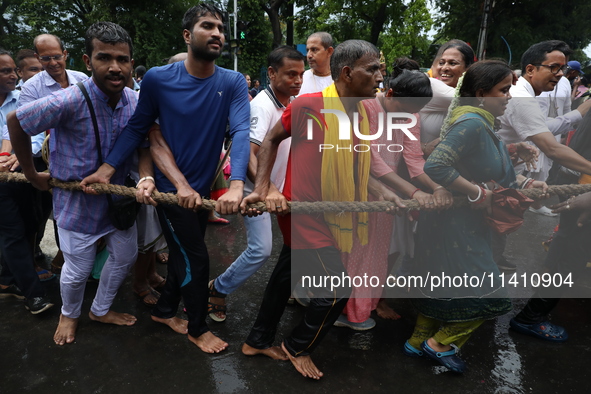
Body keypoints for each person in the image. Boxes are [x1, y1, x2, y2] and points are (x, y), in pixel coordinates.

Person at [82, 3, 250, 354]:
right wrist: (107, 170)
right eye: (208, 26)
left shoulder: (232, 81)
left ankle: (163, 311)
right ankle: (197, 329)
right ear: (188, 35)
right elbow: (138, 128)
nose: (218, 32)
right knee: (198, 259)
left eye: (221, 27)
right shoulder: (159, 78)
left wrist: (236, 187)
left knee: (182, 256)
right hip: (171, 192)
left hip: (201, 191)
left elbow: (241, 132)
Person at [240, 39, 405, 379]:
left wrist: (383, 194)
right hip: (302, 212)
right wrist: (263, 189)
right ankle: (297, 346)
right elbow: (269, 140)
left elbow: (362, 167)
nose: (380, 76)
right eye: (372, 69)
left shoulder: (362, 111)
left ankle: (257, 340)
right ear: (347, 72)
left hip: (337, 211)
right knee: (335, 291)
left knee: (286, 275)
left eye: (380, 68)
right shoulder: (308, 106)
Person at [405, 60, 548, 373]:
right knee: (492, 296)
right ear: (482, 93)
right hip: (456, 225)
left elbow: (490, 169)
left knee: (440, 281)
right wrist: (475, 193)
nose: (510, 96)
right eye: (504, 90)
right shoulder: (471, 123)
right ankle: (439, 344)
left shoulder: (481, 122)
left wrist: (526, 183)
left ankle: (416, 343)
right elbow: (436, 166)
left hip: (459, 225)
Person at [8, 22, 140, 345]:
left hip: (119, 204)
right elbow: (16, 121)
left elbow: (150, 142)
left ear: (131, 64)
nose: (114, 67)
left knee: (125, 257)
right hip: (76, 206)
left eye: (122, 59)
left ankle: (100, 308)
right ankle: (70, 312)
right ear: (86, 60)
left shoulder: (135, 102)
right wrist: (30, 173)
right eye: (104, 58)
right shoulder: (69, 100)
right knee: (77, 270)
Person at [335, 70, 453, 330]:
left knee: (376, 254)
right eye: (405, 109)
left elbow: (413, 160)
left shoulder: (411, 115)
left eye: (414, 112)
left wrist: (437, 188)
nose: (408, 116)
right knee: (353, 252)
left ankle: (361, 309)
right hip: (360, 189)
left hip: (389, 196)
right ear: (389, 94)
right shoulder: (364, 107)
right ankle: (341, 311)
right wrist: (413, 192)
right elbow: (372, 162)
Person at [208, 45, 305, 322]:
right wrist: (269, 190)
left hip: (283, 192)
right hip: (257, 193)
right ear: (272, 73)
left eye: (301, 74)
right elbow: (248, 153)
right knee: (261, 250)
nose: (297, 80)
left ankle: (290, 288)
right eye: (290, 74)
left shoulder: (290, 103)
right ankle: (217, 289)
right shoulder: (261, 106)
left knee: (295, 246)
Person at [495, 40, 591, 271]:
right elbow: (552, 148)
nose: (560, 75)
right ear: (531, 69)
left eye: (563, 69)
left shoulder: (530, 92)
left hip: (507, 168)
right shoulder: (521, 97)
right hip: (494, 173)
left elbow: (544, 129)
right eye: (554, 68)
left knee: (496, 227)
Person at [509, 109, 591, 342]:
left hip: (581, 186)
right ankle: (531, 316)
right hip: (584, 193)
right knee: (569, 255)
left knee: (568, 250)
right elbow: (566, 147)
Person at [21, 34, 89, 275]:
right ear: (39, 58)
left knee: (83, 216)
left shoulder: (81, 79)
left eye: (56, 56)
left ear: (65, 54)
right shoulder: (32, 88)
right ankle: (54, 263)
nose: (52, 63)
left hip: (85, 159)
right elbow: (23, 127)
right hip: (50, 162)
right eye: (45, 58)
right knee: (50, 216)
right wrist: (29, 169)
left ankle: (74, 263)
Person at [0, 48, 53, 314]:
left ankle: (8, 281)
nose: (13, 75)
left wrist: (18, 156)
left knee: (28, 226)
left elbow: (32, 134)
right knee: (12, 234)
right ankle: (34, 295)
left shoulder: (21, 99)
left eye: (13, 70)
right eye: (5, 71)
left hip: (22, 176)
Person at [420, 40, 475, 156]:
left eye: (452, 63)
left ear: (468, 69)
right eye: (441, 63)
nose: (444, 68)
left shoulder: (463, 93)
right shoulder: (432, 86)